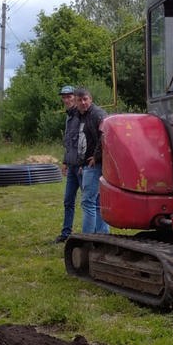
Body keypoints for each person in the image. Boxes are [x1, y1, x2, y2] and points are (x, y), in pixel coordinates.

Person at [74, 86, 111, 234]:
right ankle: (102, 235)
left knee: (88, 201)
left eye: (85, 99)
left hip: (96, 163)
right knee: (96, 202)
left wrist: (96, 156)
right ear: (76, 102)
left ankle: (87, 239)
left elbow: (104, 135)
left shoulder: (97, 114)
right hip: (87, 163)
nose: (83, 102)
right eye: (80, 100)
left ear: (91, 99)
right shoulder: (81, 115)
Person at [54, 85, 80, 244]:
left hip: (82, 166)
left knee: (90, 202)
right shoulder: (69, 116)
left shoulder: (82, 114)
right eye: (64, 97)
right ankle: (66, 233)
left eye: (69, 96)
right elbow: (69, 142)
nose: (67, 99)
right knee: (68, 200)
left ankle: (94, 235)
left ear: (75, 97)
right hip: (71, 165)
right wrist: (65, 161)